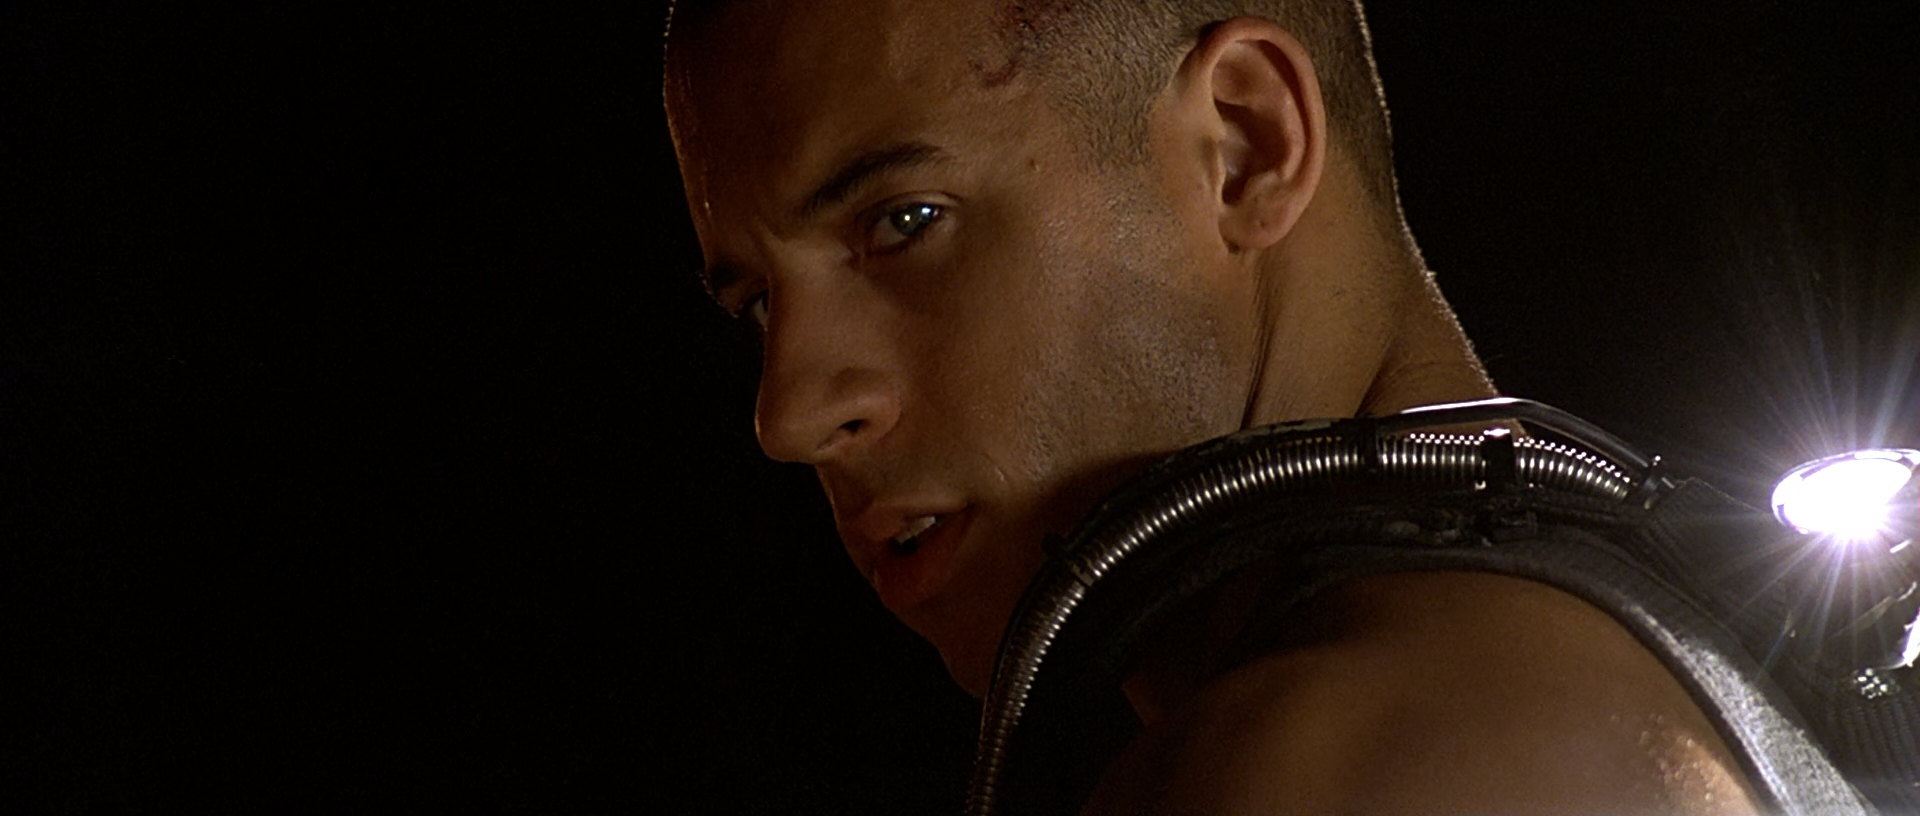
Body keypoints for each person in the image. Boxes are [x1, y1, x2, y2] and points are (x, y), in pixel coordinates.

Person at [662, 1, 1786, 812]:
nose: (790, 413)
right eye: (759, 303)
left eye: (903, 223)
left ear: (1245, 146)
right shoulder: (1672, 647)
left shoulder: (1321, 765)